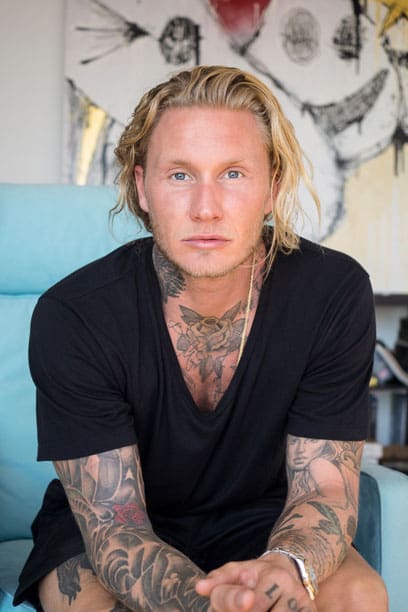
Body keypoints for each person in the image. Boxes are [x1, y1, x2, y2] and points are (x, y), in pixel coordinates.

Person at [14, 65, 388, 611]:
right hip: (113, 527)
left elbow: (323, 489)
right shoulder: (75, 315)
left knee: (359, 595)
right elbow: (116, 527)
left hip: (263, 520)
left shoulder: (332, 292)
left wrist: (282, 568)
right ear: (142, 187)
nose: (206, 208)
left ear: (271, 187)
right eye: (180, 175)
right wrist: (211, 603)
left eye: (233, 174)